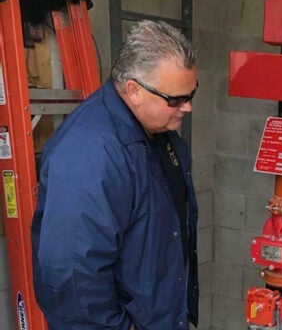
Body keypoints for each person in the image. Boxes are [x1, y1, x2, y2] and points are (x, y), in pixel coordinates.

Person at [31, 20, 200, 330]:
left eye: (191, 93)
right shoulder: (90, 153)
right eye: (176, 99)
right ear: (134, 90)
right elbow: (71, 275)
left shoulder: (158, 135)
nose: (187, 107)